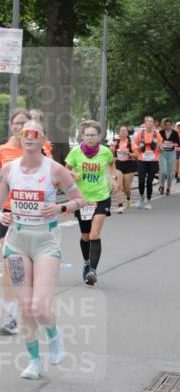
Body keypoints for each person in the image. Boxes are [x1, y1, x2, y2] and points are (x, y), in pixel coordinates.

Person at [0, 120, 85, 380]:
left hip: (45, 241)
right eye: (25, 133)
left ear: (43, 139)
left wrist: (60, 208)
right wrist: (1, 215)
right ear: (20, 138)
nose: (29, 137)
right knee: (24, 306)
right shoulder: (8, 170)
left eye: (35, 134)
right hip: (17, 241)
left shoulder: (54, 170)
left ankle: (54, 336)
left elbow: (80, 200)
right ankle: (34, 361)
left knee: (40, 307)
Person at [0, 109, 30, 334]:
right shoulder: (3, 151)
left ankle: (26, 307)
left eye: (24, 123)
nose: (20, 127)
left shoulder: (40, 148)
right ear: (11, 126)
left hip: (31, 216)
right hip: (8, 213)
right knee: (9, 264)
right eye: (16, 123)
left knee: (26, 267)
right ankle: (11, 315)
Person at [65, 120, 116, 286]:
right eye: (87, 135)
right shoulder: (75, 153)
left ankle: (93, 271)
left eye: (93, 135)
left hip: (101, 197)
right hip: (82, 200)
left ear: (99, 136)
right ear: (82, 136)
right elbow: (65, 171)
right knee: (85, 236)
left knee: (95, 234)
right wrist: (73, 175)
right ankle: (87, 263)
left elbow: (111, 165)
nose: (90, 138)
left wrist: (113, 179)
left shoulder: (106, 152)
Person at [133, 116, 161, 209]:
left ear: (153, 123)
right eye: (148, 121)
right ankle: (141, 198)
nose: (149, 123)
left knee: (149, 182)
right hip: (142, 160)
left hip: (153, 161)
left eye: (151, 121)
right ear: (144, 123)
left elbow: (162, 149)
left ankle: (148, 201)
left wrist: (157, 145)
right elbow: (135, 146)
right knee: (141, 181)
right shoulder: (140, 134)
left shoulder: (157, 134)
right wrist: (138, 151)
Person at [111, 124, 137, 212]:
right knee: (119, 186)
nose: (122, 132)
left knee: (126, 188)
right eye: (121, 131)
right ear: (119, 133)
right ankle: (120, 205)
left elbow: (137, 155)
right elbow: (111, 155)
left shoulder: (131, 143)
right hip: (118, 165)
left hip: (129, 165)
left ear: (127, 133)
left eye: (124, 131)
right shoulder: (115, 143)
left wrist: (128, 153)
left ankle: (128, 198)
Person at [158, 118, 180, 195]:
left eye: (169, 125)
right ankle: (162, 186)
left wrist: (172, 144)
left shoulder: (175, 133)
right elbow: (157, 142)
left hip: (171, 153)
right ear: (164, 125)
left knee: (170, 173)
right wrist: (160, 145)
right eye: (166, 125)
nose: (168, 126)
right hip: (162, 153)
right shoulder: (160, 132)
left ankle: (168, 188)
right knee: (163, 172)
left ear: (171, 125)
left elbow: (178, 143)